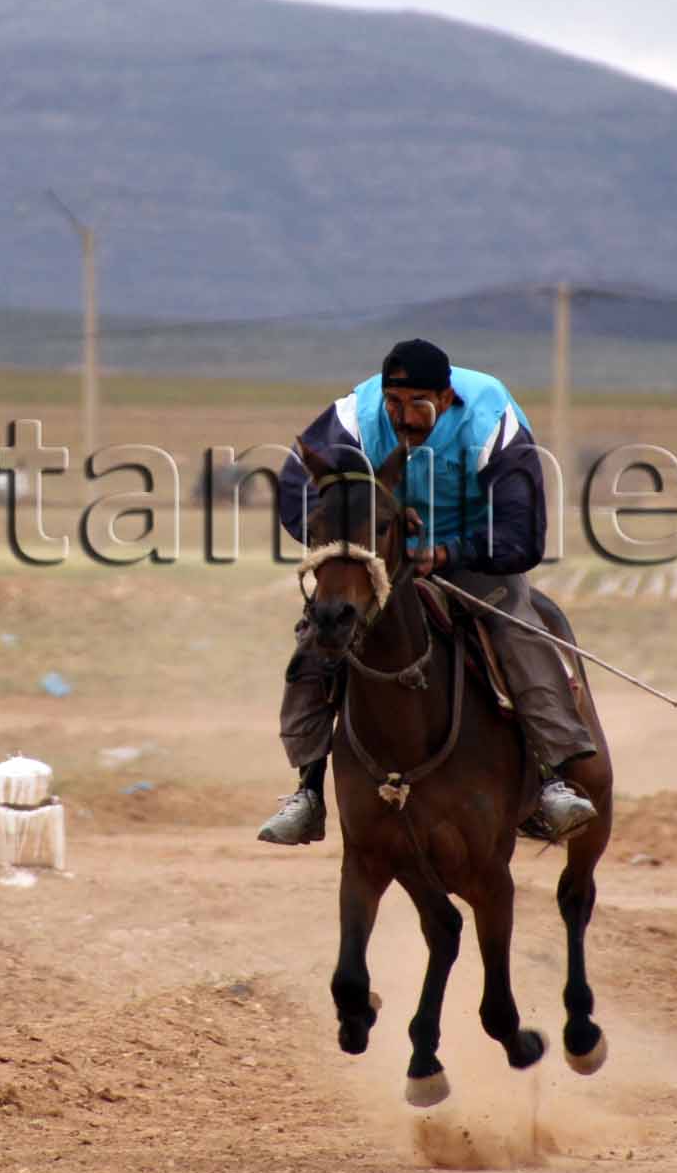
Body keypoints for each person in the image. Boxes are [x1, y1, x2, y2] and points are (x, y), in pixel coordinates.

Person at [257, 338, 600, 846]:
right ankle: (308, 789)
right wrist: (347, 537)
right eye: (393, 404)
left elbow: (522, 532)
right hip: (379, 557)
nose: (403, 417)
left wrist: (445, 554)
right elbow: (295, 485)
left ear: (446, 398)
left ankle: (551, 779)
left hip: (474, 555)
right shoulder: (354, 415)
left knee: (514, 635)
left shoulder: (491, 418)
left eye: (417, 404)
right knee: (319, 635)